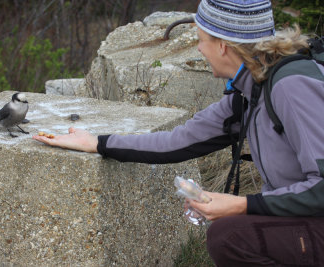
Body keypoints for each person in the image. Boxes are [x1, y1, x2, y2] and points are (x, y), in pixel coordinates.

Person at [33, 0, 324, 265]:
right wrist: (97, 143)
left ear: (222, 45)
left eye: (201, 39)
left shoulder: (291, 87)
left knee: (230, 236)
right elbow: (178, 141)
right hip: (308, 218)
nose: (199, 48)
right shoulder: (250, 91)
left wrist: (241, 205)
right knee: (231, 232)